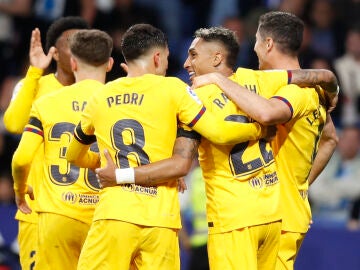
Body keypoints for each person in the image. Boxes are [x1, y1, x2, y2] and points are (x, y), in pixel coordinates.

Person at [94, 25, 338, 269]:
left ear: (217, 58)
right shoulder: (260, 80)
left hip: (233, 219)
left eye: (194, 55)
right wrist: (332, 85)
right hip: (272, 215)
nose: (187, 63)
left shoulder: (195, 98)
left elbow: (181, 161)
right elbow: (308, 76)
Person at [65, 23, 281, 270]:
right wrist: (259, 129)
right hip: (162, 221)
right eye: (168, 58)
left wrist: (106, 167)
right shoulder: (174, 89)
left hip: (114, 214)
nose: (173, 64)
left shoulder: (100, 96)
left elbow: (72, 154)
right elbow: (218, 132)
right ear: (158, 57)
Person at [190, 12, 339, 269]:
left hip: (278, 214)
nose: (255, 49)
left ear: (268, 44)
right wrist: (300, 189)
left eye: (257, 41)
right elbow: (331, 139)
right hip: (281, 209)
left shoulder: (295, 92)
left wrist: (217, 78)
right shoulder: (311, 89)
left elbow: (267, 113)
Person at [12, 29, 113, 269]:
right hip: (105, 216)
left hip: (58, 215)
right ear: (109, 64)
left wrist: (19, 189)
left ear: (74, 63)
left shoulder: (46, 104)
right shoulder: (120, 103)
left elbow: (21, 158)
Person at [3, 16, 89, 270]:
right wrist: (34, 71)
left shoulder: (101, 93)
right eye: (71, 42)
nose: (78, 48)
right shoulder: (33, 84)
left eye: (84, 42)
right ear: (54, 51)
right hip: (39, 211)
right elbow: (13, 124)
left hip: (89, 213)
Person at [310, 124, 360, 228]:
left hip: (347, 223)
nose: (349, 143)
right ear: (339, 141)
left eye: (353, 140)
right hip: (318, 219)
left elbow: (357, 190)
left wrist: (330, 185)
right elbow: (313, 189)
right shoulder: (328, 159)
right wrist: (343, 192)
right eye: (345, 139)